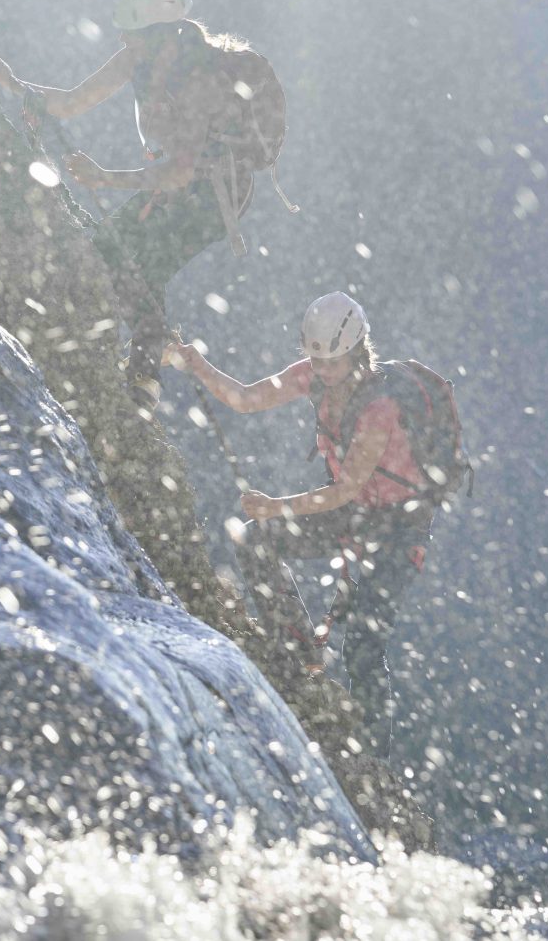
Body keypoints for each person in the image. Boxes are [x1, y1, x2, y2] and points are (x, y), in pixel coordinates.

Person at [0, 0, 289, 411]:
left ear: (161, 33)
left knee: (141, 266)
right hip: (176, 183)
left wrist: (105, 178)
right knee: (109, 251)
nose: (124, 42)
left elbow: (181, 172)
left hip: (216, 195)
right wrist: (11, 82)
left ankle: (143, 380)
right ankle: (132, 356)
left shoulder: (199, 79)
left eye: (133, 35)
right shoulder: (138, 59)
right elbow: (72, 102)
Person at [164, 292, 437, 757]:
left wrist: (276, 507)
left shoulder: (380, 410)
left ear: (357, 353)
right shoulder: (313, 374)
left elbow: (344, 489)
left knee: (365, 648)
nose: (322, 372)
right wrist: (196, 364)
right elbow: (247, 398)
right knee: (256, 542)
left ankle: (375, 761)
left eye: (331, 362)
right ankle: (297, 656)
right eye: (316, 360)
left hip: (397, 530)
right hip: (358, 513)